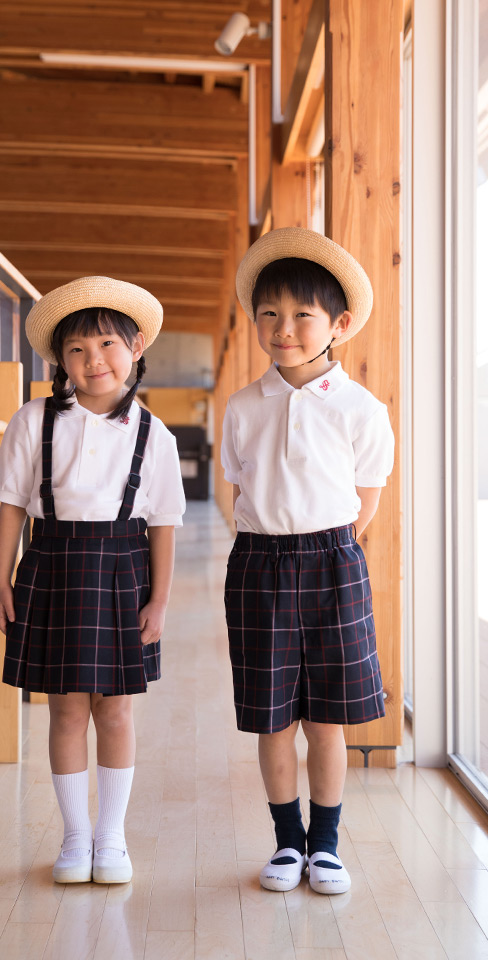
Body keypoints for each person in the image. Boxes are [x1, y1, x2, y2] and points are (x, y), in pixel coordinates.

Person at [0, 276, 185, 885]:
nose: (93, 359)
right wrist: (0, 580)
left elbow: (165, 522)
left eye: (107, 343)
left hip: (125, 570)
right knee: (66, 711)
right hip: (51, 566)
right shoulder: (32, 421)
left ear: (135, 351)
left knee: (118, 712)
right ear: (60, 361)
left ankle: (112, 838)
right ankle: (75, 839)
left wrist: (160, 598)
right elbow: (10, 507)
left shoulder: (155, 434)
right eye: (77, 349)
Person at [222, 228, 394, 895]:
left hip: (333, 563)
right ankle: (286, 842)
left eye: (302, 315)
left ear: (338, 325)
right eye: (269, 313)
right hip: (258, 566)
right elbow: (242, 484)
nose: (283, 328)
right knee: (272, 716)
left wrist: (324, 548)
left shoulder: (361, 409)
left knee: (328, 717)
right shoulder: (242, 407)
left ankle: (325, 845)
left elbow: (366, 499)